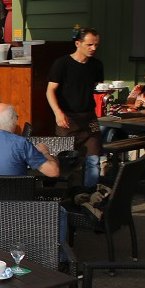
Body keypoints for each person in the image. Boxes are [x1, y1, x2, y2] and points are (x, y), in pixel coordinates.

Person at [47, 28, 104, 188]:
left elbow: (94, 88)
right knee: (66, 160)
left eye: (96, 45)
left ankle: (90, 196)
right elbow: (50, 90)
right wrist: (58, 113)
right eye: (90, 44)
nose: (94, 48)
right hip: (67, 117)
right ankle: (65, 194)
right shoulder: (62, 64)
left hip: (89, 117)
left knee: (93, 160)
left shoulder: (96, 65)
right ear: (78, 43)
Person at [0, 104, 60, 178]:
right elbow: (54, 172)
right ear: (12, 119)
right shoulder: (21, 143)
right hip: (16, 194)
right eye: (16, 117)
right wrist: (45, 152)